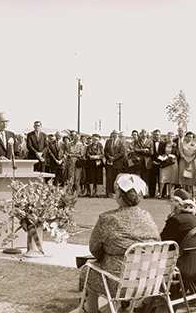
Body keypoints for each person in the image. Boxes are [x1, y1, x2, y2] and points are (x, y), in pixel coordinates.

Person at [80, 174, 159, 313]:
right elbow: (156, 243)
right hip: (149, 280)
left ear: (120, 196)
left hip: (118, 281)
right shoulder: (147, 216)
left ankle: (91, 309)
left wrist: (107, 255)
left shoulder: (108, 219)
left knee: (88, 269)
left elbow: (94, 249)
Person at [103, 130, 126, 197]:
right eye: (113, 133)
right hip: (109, 162)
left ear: (118, 135)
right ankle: (108, 193)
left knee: (116, 178)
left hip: (118, 163)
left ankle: (116, 192)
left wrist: (114, 158)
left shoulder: (121, 142)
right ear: (112, 134)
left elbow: (122, 153)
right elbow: (105, 151)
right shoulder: (108, 141)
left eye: (116, 134)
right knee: (109, 178)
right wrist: (109, 157)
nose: (114, 135)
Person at [159, 132, 179, 199]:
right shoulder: (163, 144)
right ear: (167, 137)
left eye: (171, 136)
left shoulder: (175, 145)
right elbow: (160, 152)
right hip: (164, 163)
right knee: (162, 178)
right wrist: (163, 156)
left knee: (171, 179)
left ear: (173, 137)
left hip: (172, 163)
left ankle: (170, 195)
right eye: (169, 136)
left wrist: (172, 156)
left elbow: (177, 154)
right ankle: (160, 194)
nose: (170, 138)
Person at [178, 131, 196, 196]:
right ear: (186, 137)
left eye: (191, 137)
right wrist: (185, 158)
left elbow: (195, 154)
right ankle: (183, 194)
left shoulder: (194, 144)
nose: (189, 138)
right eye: (188, 137)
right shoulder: (182, 143)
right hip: (183, 161)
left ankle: (191, 194)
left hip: (191, 162)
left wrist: (190, 159)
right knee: (183, 177)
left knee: (190, 177)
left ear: (193, 138)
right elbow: (181, 152)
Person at [66, 132, 85, 196]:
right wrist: (71, 155)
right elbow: (67, 153)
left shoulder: (81, 145)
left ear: (79, 138)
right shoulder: (69, 144)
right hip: (70, 162)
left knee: (77, 177)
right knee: (70, 177)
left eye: (77, 137)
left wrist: (72, 154)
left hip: (78, 163)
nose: (76, 138)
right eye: (75, 137)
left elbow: (81, 154)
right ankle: (70, 191)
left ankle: (77, 192)